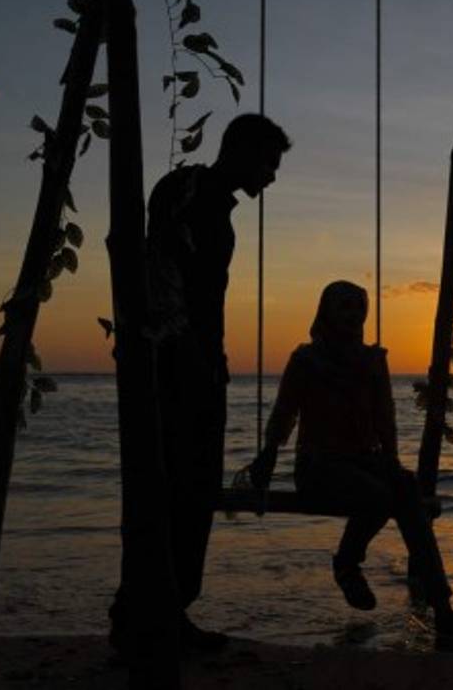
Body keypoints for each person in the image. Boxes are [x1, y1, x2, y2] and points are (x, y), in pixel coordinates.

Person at [110, 113, 292, 655]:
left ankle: (162, 611)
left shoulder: (213, 202)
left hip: (201, 363)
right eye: (269, 164)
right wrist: (184, 348)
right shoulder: (185, 192)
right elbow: (160, 272)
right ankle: (144, 617)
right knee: (176, 492)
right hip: (175, 364)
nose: (273, 177)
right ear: (242, 152)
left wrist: (211, 358)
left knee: (193, 493)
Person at [248, 280, 453, 651]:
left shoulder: (372, 361)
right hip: (319, 467)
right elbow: (285, 414)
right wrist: (268, 453)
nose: (352, 314)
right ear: (326, 313)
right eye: (343, 306)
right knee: (380, 496)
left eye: (357, 308)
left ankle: (443, 610)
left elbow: (385, 418)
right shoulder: (306, 360)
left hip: (365, 462)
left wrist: (392, 462)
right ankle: (347, 563)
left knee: (406, 490)